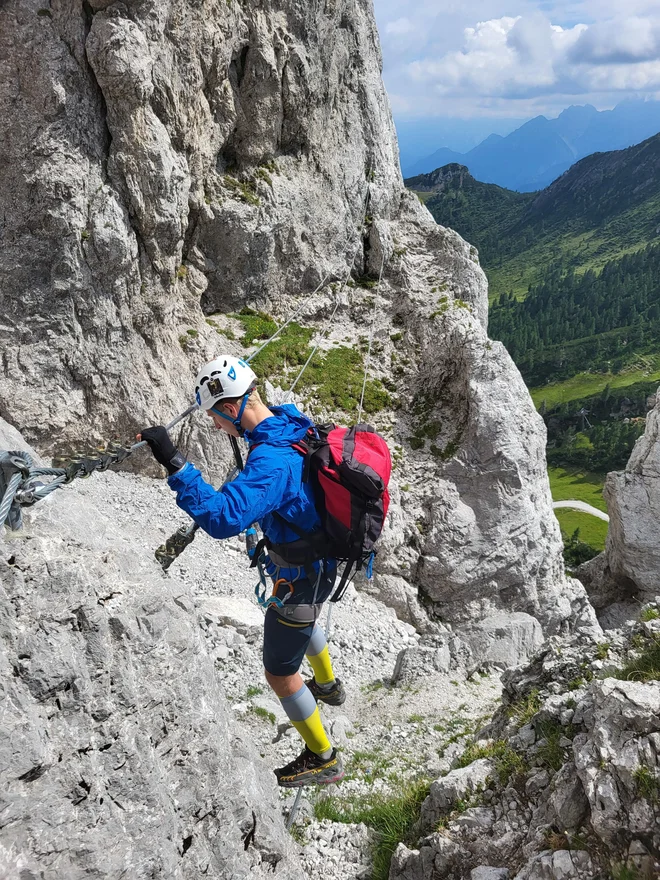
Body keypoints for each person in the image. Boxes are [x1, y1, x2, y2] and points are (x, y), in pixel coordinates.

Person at [138, 356, 345, 788]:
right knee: (305, 620)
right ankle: (327, 686)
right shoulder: (288, 420)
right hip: (317, 562)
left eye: (216, 417)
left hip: (302, 573)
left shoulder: (271, 462)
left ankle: (323, 757)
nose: (215, 427)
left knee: (279, 672)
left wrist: (175, 462)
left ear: (232, 408)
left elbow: (222, 518)